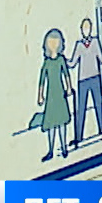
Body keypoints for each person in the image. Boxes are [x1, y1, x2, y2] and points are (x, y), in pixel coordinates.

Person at [70, 17, 102, 144]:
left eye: (88, 28)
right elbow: (73, 62)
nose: (86, 31)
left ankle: (101, 127)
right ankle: (79, 136)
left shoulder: (95, 42)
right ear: (81, 30)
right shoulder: (79, 45)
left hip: (95, 77)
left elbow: (100, 57)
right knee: (81, 108)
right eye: (84, 28)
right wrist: (64, 61)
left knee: (98, 103)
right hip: (82, 80)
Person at [35, 28, 72, 161]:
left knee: (62, 122)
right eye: (51, 43)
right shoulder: (47, 62)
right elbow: (42, 80)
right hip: (50, 95)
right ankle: (50, 150)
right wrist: (40, 95)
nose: (53, 46)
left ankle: (64, 148)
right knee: (51, 124)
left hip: (60, 94)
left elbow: (66, 74)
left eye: (55, 43)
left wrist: (69, 88)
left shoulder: (61, 60)